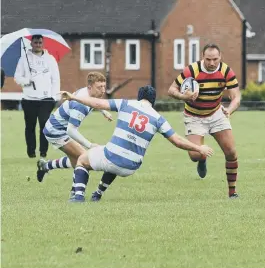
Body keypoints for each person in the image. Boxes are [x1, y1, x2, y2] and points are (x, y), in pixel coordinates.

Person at [59, 85, 214, 202]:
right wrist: (199, 148)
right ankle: (98, 193)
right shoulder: (158, 118)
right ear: (153, 101)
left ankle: (78, 196)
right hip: (130, 167)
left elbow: (98, 103)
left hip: (112, 158)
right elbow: (177, 141)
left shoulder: (126, 104)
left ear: (139, 97)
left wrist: (74, 97)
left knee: (82, 160)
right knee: (113, 156)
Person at [167, 43, 241, 199]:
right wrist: (184, 96)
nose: (212, 63)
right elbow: (171, 89)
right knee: (195, 155)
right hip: (194, 116)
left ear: (220, 57)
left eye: (215, 59)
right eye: (208, 59)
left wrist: (229, 109)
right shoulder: (192, 70)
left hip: (216, 114)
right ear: (203, 57)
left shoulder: (226, 71)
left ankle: (232, 192)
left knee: (231, 152)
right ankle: (202, 159)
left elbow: (236, 97)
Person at [36, 72, 112, 184]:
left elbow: (93, 102)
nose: (103, 90)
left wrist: (103, 111)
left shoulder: (87, 92)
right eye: (99, 87)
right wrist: (90, 145)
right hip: (56, 131)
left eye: (104, 87)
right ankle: (76, 194)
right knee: (85, 159)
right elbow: (71, 130)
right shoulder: (80, 105)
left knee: (75, 161)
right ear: (90, 87)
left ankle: (45, 166)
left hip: (57, 128)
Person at [14, 34, 60, 158]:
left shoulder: (50, 59)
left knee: (45, 125)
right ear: (31, 43)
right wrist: (27, 81)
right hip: (29, 99)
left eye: (40, 42)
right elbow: (17, 77)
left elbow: (55, 79)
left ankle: (43, 152)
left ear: (42, 43)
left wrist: (54, 97)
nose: (38, 45)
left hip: (46, 99)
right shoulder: (23, 59)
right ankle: (31, 151)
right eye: (35, 42)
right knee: (30, 126)